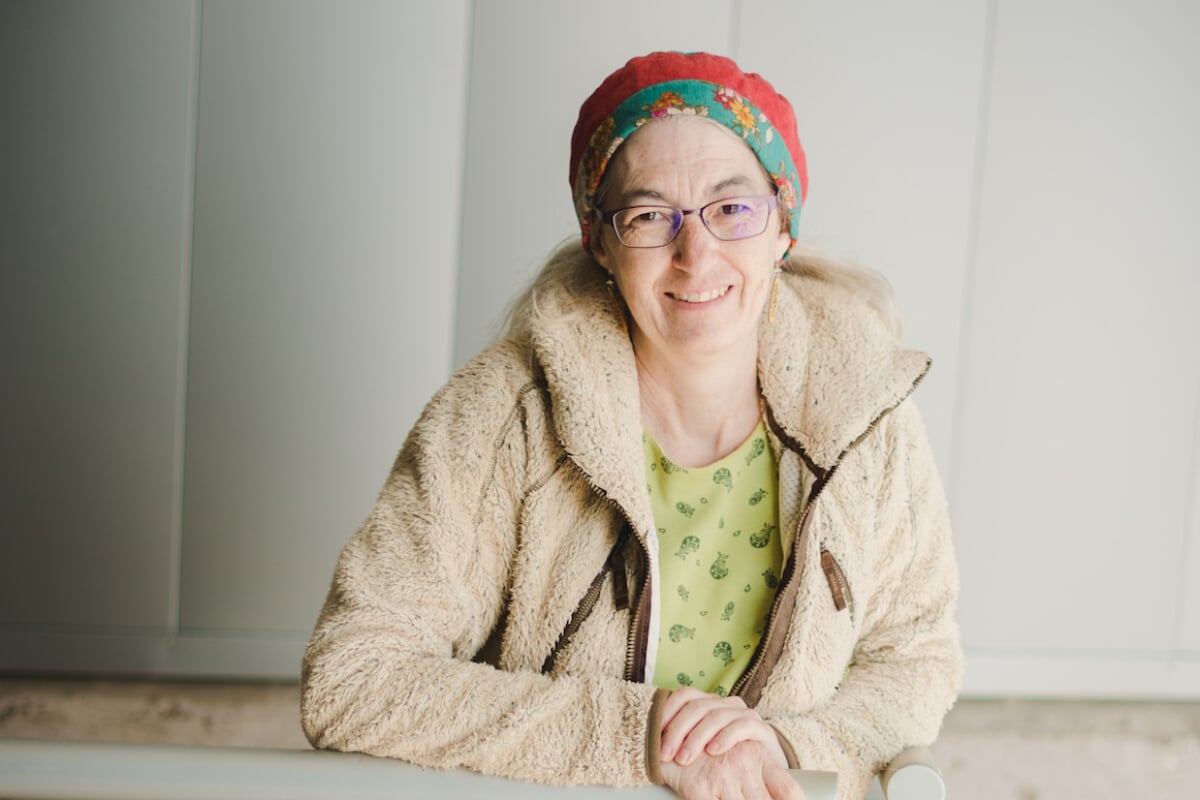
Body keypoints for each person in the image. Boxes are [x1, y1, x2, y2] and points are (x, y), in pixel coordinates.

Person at [301, 51, 961, 800]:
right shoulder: (500, 414)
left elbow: (914, 660)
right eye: (650, 216)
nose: (696, 253)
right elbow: (352, 677)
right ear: (601, 245)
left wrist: (783, 747)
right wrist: (642, 739)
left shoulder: (866, 416)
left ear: (784, 229)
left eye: (732, 208)